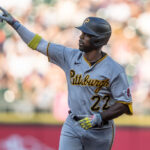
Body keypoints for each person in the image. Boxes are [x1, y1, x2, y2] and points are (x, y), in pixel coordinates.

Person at [0, 6, 133, 150]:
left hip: (100, 130)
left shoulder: (114, 69)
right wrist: (15, 24)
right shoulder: (69, 56)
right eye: (82, 33)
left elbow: (124, 104)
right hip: (73, 124)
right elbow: (39, 44)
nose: (81, 37)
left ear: (98, 40)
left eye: (86, 34)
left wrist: (99, 117)